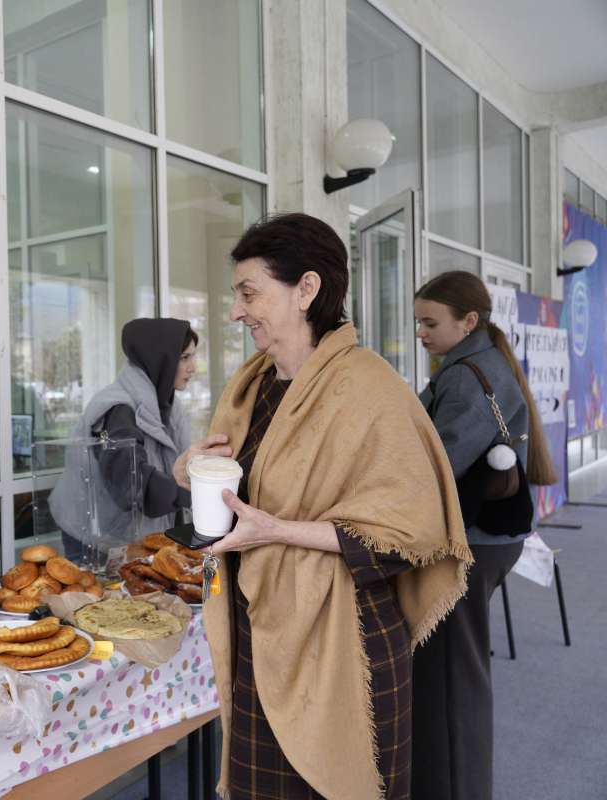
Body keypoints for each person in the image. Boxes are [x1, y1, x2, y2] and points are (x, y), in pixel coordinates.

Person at [175, 213, 472, 800]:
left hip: (344, 645)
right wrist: (187, 471)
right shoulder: (251, 386)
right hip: (259, 634)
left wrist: (278, 531)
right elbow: (237, 503)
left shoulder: (369, 388)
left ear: (306, 289)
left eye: (249, 293)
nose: (235, 312)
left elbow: (410, 534)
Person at [411, 270, 558, 800]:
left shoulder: (467, 377)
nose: (421, 333)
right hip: (484, 540)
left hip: (468, 543)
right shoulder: (480, 364)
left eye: (430, 323)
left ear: (468, 321)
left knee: (453, 681)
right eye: (419, 323)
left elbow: (439, 463)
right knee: (456, 673)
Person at [48, 318, 197, 559]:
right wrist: (192, 496)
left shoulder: (165, 404)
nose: (193, 368)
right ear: (160, 360)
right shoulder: (117, 410)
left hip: (130, 534)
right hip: (94, 538)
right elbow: (130, 484)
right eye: (185, 358)